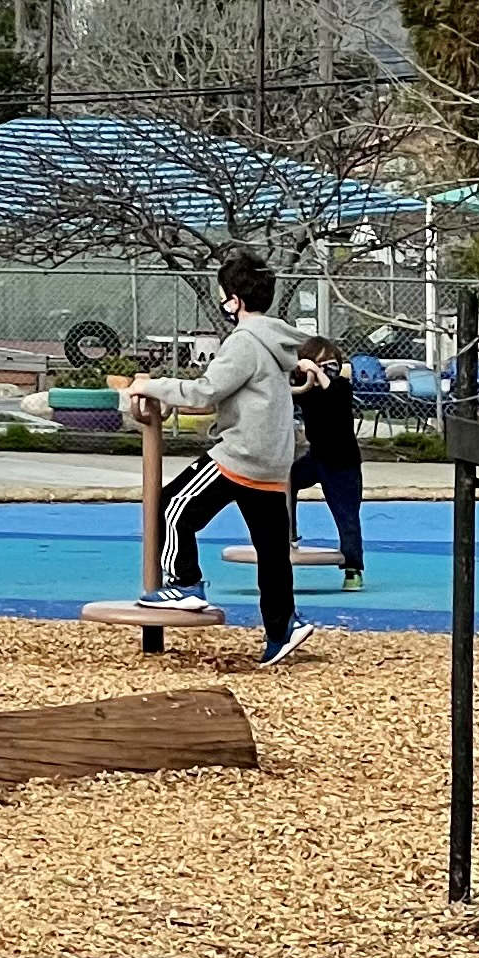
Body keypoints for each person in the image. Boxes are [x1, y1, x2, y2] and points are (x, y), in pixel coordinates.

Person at [125, 250, 321, 668]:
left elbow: (204, 392)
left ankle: (185, 583)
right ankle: (282, 625)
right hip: (272, 458)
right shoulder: (280, 340)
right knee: (271, 550)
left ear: (232, 300)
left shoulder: (244, 342)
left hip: (242, 453)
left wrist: (151, 385)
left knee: (170, 507)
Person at [290, 335, 369, 592]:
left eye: (330, 364)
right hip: (317, 458)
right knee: (286, 481)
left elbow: (334, 394)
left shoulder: (340, 387)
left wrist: (319, 373)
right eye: (319, 363)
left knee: (346, 515)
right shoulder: (306, 392)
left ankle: (353, 567)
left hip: (343, 463)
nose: (326, 369)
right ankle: (289, 534)